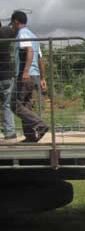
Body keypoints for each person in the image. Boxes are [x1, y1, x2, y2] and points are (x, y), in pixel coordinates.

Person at [10, 10, 49, 142]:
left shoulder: (22, 33)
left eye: (12, 25)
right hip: (35, 75)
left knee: (15, 105)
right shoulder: (33, 35)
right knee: (26, 105)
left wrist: (25, 71)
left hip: (26, 75)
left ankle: (41, 125)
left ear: (16, 22)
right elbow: (40, 58)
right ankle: (30, 137)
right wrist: (42, 78)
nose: (12, 28)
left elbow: (30, 51)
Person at [0, 21, 17, 140]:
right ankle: (9, 132)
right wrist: (12, 22)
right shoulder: (4, 31)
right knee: (7, 105)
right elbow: (15, 31)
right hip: (6, 75)